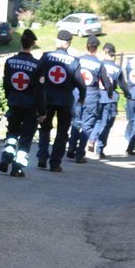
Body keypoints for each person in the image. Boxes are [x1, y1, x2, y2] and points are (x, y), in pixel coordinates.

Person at [35, 29, 81, 172]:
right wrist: (83, 95)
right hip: (65, 100)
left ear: (57, 41)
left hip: (47, 98)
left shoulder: (46, 56)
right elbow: (80, 82)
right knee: (62, 131)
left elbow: (36, 74)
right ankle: (55, 163)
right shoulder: (74, 61)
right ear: (68, 44)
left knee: (44, 127)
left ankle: (42, 157)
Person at [0, 29, 41, 177]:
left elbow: (6, 84)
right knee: (26, 137)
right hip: (30, 105)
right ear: (33, 44)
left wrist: (10, 98)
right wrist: (42, 111)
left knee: (12, 132)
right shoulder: (37, 65)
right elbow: (40, 90)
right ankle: (17, 168)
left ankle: (6, 157)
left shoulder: (10, 61)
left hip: (14, 102)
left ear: (20, 43)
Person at [71, 36, 106, 161]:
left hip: (76, 93)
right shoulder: (99, 64)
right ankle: (80, 154)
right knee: (87, 125)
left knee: (76, 121)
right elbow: (106, 83)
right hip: (91, 95)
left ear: (86, 46)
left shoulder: (77, 60)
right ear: (96, 49)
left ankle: (71, 148)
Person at [89, 43, 126, 159]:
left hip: (96, 96)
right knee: (106, 124)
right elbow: (123, 85)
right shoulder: (117, 68)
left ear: (105, 52)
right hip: (110, 98)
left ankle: (91, 138)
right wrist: (129, 94)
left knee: (97, 121)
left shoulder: (99, 64)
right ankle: (99, 149)